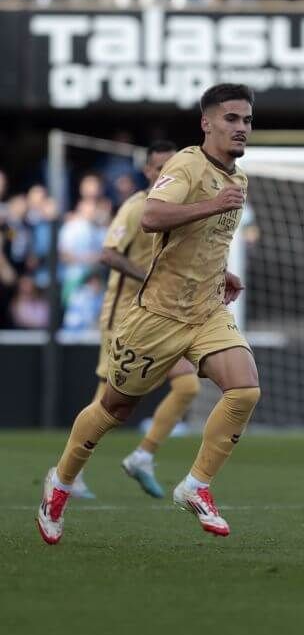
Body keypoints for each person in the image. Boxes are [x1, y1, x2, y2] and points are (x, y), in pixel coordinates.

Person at [36, 83, 260, 544]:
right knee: (114, 408)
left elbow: (205, 241)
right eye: (232, 118)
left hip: (206, 311)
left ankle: (196, 485)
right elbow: (152, 218)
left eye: (247, 120)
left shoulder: (238, 179)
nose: (241, 128)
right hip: (157, 315)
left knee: (245, 389)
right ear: (207, 123)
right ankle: (60, 482)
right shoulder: (186, 164)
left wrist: (223, 273)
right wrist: (211, 204)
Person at [75, 141, 201, 501]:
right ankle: (72, 472)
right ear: (147, 171)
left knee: (188, 387)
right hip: (123, 317)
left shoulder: (177, 210)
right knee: (107, 400)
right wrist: (148, 277)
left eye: (171, 167)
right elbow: (108, 255)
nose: (165, 173)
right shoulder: (135, 208)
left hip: (158, 316)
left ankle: (143, 456)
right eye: (159, 167)